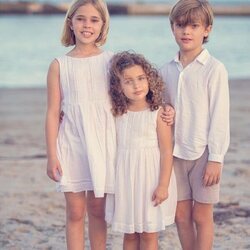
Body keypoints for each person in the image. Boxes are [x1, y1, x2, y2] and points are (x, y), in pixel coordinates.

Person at [45, 0, 116, 249]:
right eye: (81, 19)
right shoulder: (59, 65)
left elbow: (129, 99)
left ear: (103, 25)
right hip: (72, 144)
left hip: (103, 144)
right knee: (75, 212)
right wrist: (51, 155)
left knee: (97, 210)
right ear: (70, 23)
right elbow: (53, 112)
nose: (87, 25)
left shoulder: (112, 61)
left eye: (94, 20)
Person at [160, 0, 230, 249]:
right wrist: (165, 111)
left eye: (193, 25)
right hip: (175, 154)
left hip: (204, 153)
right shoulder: (165, 70)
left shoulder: (214, 69)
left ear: (207, 29)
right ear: (172, 28)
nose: (186, 31)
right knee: (180, 216)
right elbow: (161, 108)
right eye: (180, 25)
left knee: (201, 215)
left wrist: (216, 158)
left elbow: (219, 116)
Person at [106, 51, 177, 250]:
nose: (136, 86)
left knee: (148, 235)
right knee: (129, 235)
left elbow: (166, 151)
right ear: (118, 87)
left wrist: (163, 185)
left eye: (140, 78)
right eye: (128, 81)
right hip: (126, 181)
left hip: (150, 179)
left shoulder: (158, 112)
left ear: (149, 78)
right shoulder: (117, 113)